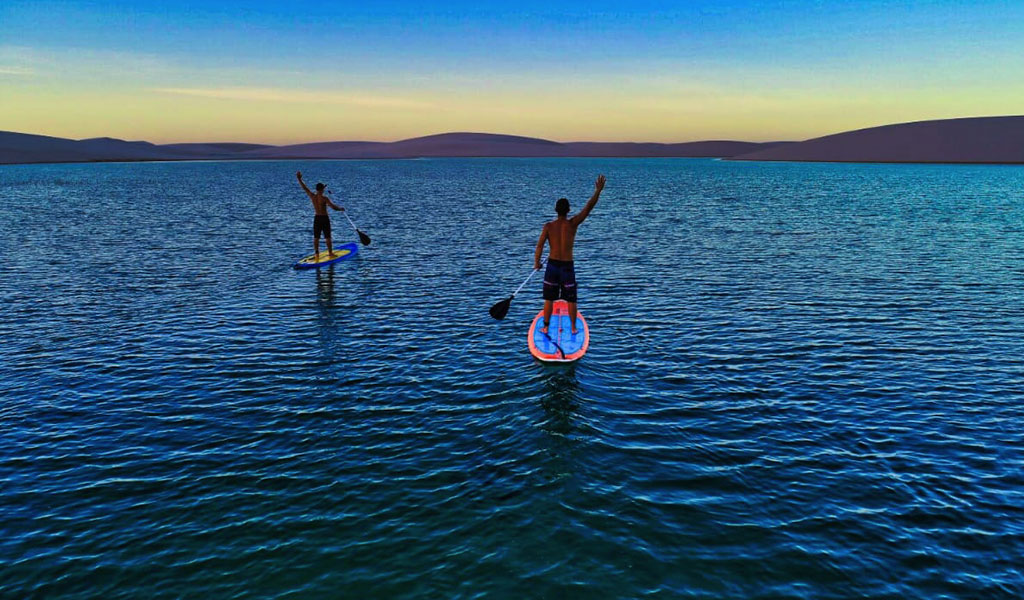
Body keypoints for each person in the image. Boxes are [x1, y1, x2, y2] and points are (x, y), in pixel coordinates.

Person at [533, 174, 606, 335]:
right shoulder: (572, 224)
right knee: (571, 299)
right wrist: (598, 192)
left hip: (552, 266)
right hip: (567, 267)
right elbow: (588, 208)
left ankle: (545, 327)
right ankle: (573, 328)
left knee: (549, 299)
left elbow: (539, 246)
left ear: (555, 210)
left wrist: (536, 263)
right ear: (568, 210)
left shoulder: (548, 226)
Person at [296, 171, 343, 260]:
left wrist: (299, 179)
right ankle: (330, 253)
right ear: (322, 189)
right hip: (324, 218)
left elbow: (305, 188)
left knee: (316, 237)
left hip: (317, 218)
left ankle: (317, 253)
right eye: (323, 189)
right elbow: (333, 207)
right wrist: (340, 209)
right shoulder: (325, 198)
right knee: (328, 237)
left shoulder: (312, 196)